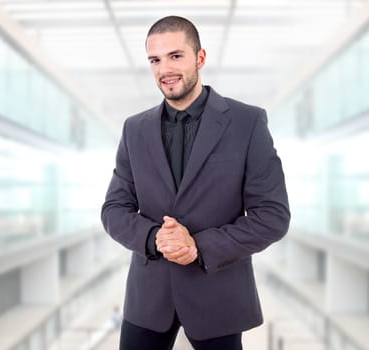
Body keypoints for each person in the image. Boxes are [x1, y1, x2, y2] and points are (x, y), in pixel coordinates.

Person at [101, 15, 290, 350]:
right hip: (148, 299)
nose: (165, 70)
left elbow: (272, 216)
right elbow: (114, 209)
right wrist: (155, 237)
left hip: (217, 295)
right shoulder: (135, 129)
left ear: (200, 58)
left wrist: (198, 247)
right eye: (155, 60)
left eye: (176, 56)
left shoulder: (247, 122)